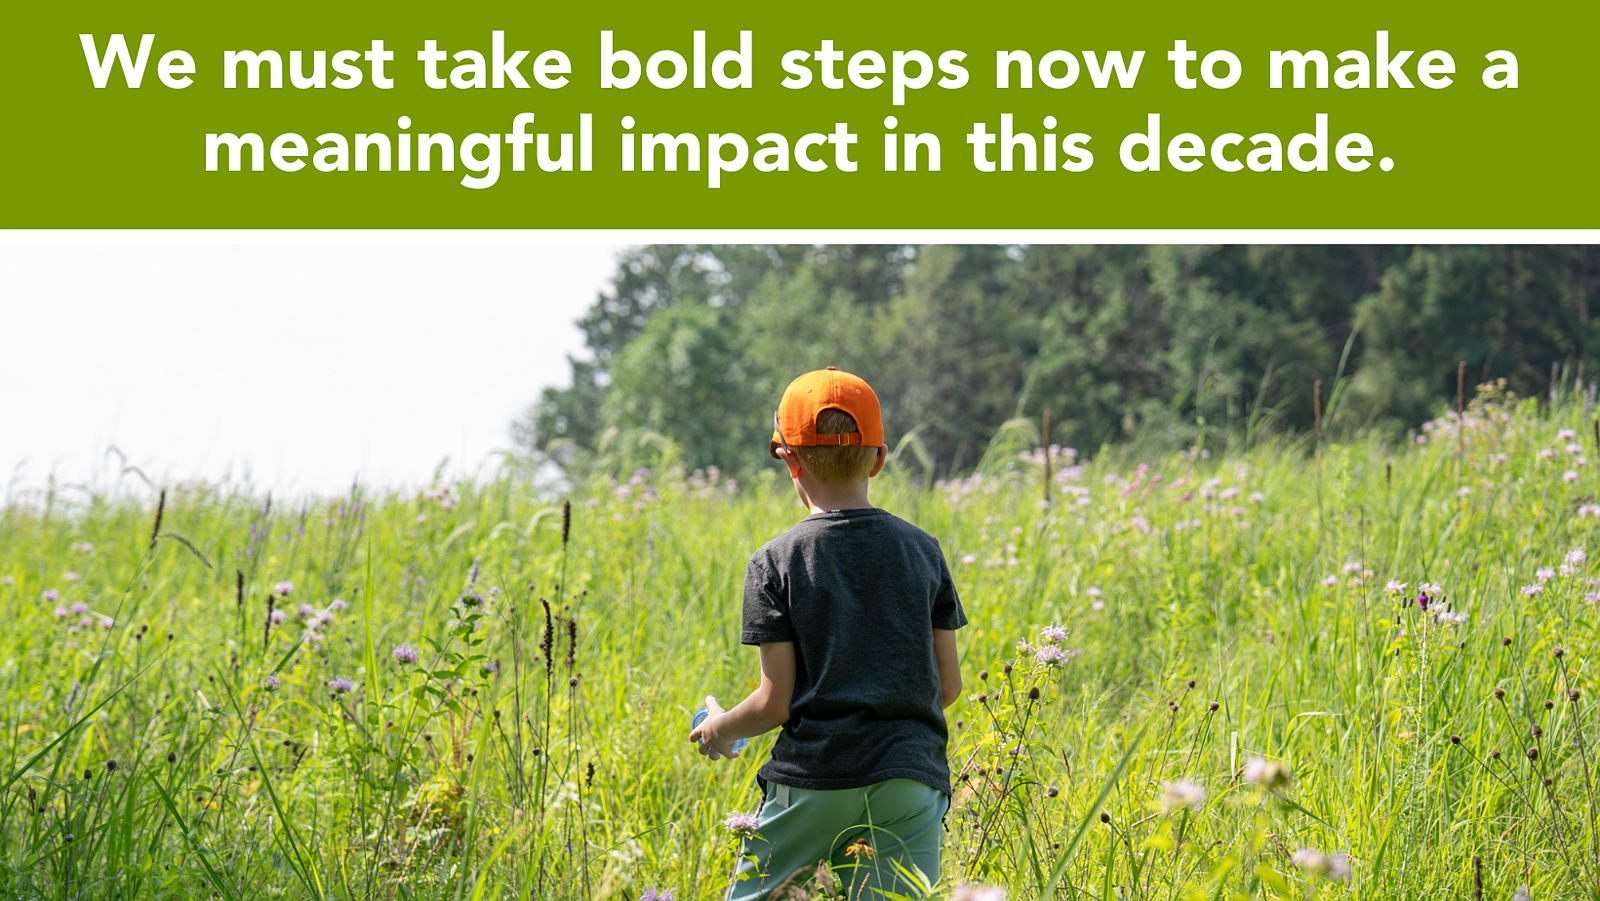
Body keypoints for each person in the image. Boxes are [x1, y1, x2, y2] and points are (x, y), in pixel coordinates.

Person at [689, 366, 968, 900]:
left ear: (787, 458)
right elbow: (947, 687)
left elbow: (775, 704)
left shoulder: (775, 562)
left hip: (815, 779)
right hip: (911, 778)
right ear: (880, 458)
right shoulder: (923, 550)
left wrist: (721, 728)